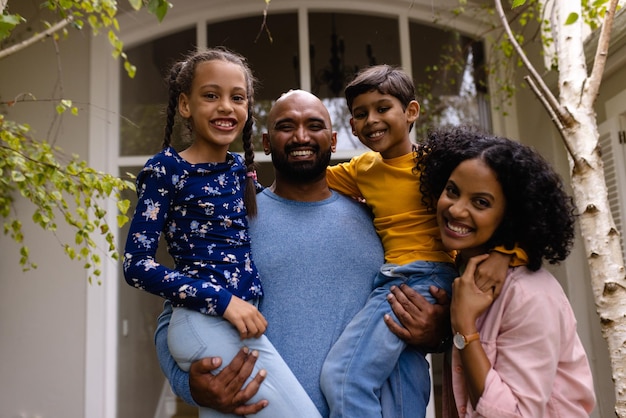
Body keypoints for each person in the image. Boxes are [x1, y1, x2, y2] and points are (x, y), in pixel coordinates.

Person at [153, 89, 451, 418]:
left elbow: (427, 299)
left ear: (334, 140)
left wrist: (439, 333)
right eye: (285, 126)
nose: (301, 136)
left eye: (314, 125)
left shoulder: (379, 220)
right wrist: (189, 385)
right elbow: (174, 317)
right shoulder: (232, 223)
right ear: (266, 143)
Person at [122, 49, 320, 418]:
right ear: (185, 105)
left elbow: (277, 209)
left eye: (237, 97)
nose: (226, 107)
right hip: (204, 321)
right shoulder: (166, 170)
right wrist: (222, 300)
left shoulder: (239, 171)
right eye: (211, 95)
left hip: (239, 323)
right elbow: (136, 265)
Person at [320, 64, 526, 418]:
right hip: (395, 279)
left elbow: (509, 204)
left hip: (422, 278)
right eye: (360, 114)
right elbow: (304, 179)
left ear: (411, 111)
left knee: (343, 378)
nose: (371, 120)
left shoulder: (440, 166)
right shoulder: (361, 169)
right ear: (351, 124)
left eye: (382, 108)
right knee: (404, 388)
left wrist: (507, 253)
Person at [414, 126, 596, 417]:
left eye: (481, 202)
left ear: (510, 215)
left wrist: (463, 325)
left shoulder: (530, 295)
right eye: (452, 191)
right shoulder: (460, 270)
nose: (457, 210)